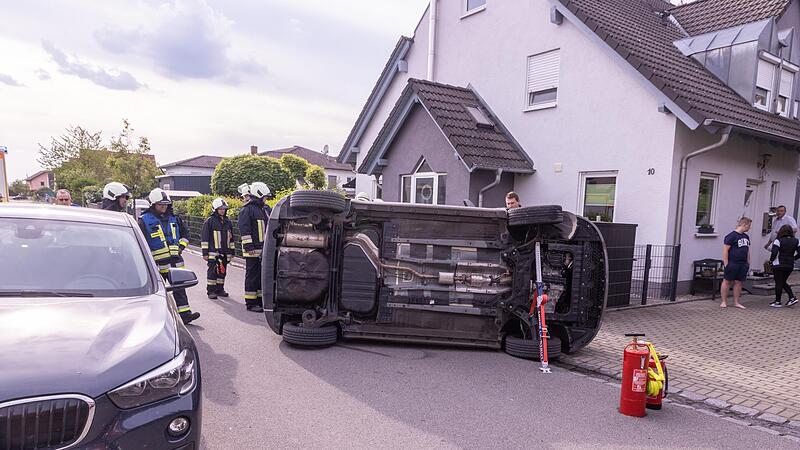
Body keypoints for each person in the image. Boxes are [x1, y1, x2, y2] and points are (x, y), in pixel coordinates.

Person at [139, 188, 199, 324]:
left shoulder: (175, 218)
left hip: (176, 261)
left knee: (180, 289)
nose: (164, 207)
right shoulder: (144, 220)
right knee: (157, 292)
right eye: (161, 205)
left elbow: (186, 234)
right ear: (153, 204)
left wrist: (181, 246)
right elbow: (141, 242)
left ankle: (185, 315)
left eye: (166, 204)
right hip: (157, 263)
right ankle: (157, 318)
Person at [238, 182, 271, 312]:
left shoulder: (262, 209)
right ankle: (250, 303)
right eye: (265, 197)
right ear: (259, 195)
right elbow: (245, 230)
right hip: (252, 251)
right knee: (252, 276)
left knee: (259, 276)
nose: (266, 199)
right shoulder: (247, 210)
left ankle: (258, 300)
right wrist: (249, 247)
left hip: (262, 249)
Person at [201, 198, 235, 299]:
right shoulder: (209, 221)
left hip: (224, 252)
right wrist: (205, 253)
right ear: (215, 209)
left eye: (224, 209)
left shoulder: (228, 222)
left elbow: (231, 237)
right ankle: (211, 291)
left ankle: (220, 289)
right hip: (213, 252)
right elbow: (205, 238)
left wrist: (232, 251)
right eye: (220, 209)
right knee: (212, 272)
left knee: (222, 272)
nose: (222, 211)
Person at [721, 217, 752, 309]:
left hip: (743, 264)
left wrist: (748, 262)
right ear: (744, 225)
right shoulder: (731, 236)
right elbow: (725, 250)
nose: (749, 228)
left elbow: (747, 250)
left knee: (738, 282)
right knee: (727, 281)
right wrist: (726, 263)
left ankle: (736, 302)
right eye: (748, 226)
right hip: (732, 262)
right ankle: (724, 301)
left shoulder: (746, 237)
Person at [768, 224, 799, 308]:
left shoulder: (778, 240)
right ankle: (792, 298)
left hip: (778, 264)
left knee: (779, 282)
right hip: (789, 265)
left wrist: (771, 261)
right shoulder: (796, 240)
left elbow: (774, 252)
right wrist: (794, 258)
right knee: (782, 282)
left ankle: (778, 301)